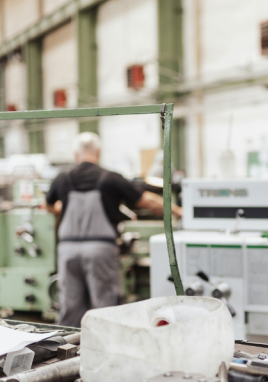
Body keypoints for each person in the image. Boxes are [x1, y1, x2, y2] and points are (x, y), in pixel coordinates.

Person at [46, 132, 182, 327]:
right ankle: (106, 349)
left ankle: (68, 350)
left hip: (68, 251)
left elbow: (50, 206)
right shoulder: (110, 178)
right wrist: (178, 210)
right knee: (106, 308)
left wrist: (63, 207)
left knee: (70, 308)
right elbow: (147, 202)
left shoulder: (62, 178)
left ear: (76, 154)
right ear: (98, 152)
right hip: (99, 250)